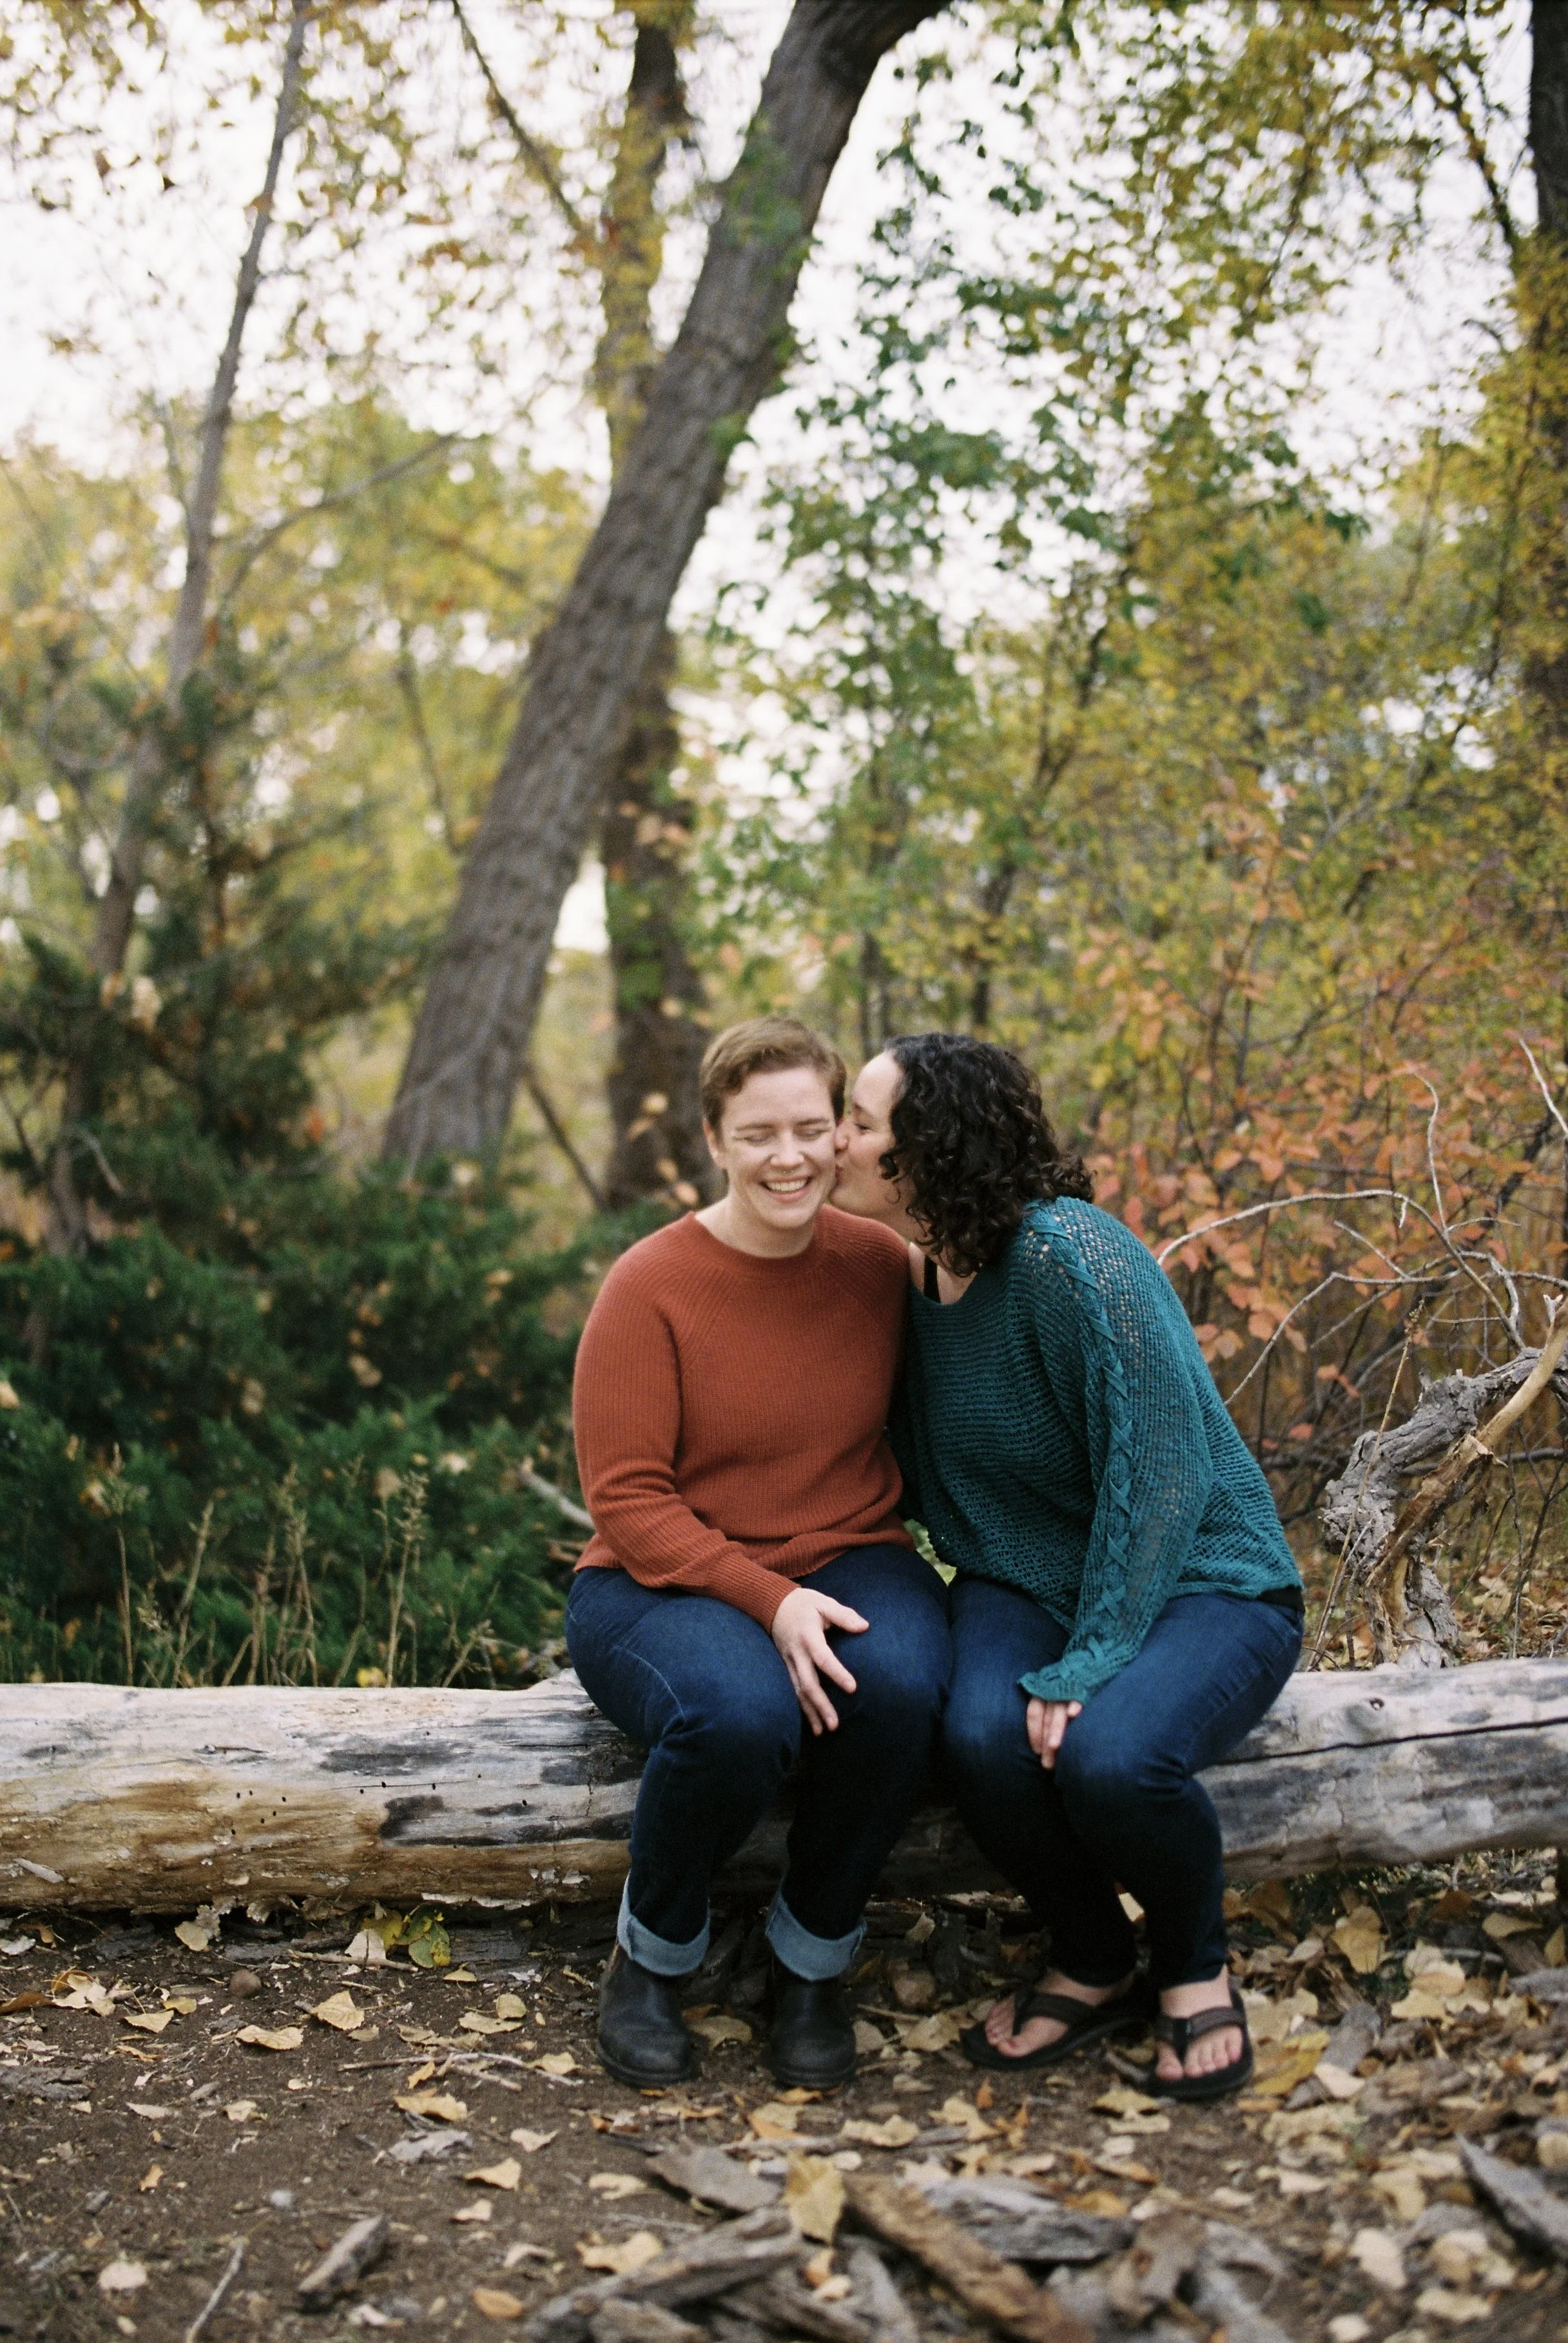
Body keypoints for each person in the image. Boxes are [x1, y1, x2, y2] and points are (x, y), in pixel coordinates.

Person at [830, 1032, 1303, 2101]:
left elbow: (1167, 1466)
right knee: (983, 1740)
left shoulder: (1069, 1253)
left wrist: (1092, 1657)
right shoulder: (902, 1281)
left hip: (1201, 1573)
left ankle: (1193, 1964)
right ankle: (1094, 1955)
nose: (838, 1139)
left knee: (1110, 1757)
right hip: (1027, 1578)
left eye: (860, 1120)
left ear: (927, 1147)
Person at [567, 1015, 951, 2091]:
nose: (789, 1156)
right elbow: (630, 1500)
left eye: (812, 1128)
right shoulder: (650, 1286)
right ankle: (652, 1957)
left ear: (844, 1133)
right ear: (714, 1140)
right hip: (659, 1579)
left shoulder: (881, 1264)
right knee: (741, 1713)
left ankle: (810, 1959)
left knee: (905, 1683)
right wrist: (768, 1597)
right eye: (757, 1133)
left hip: (851, 1549)